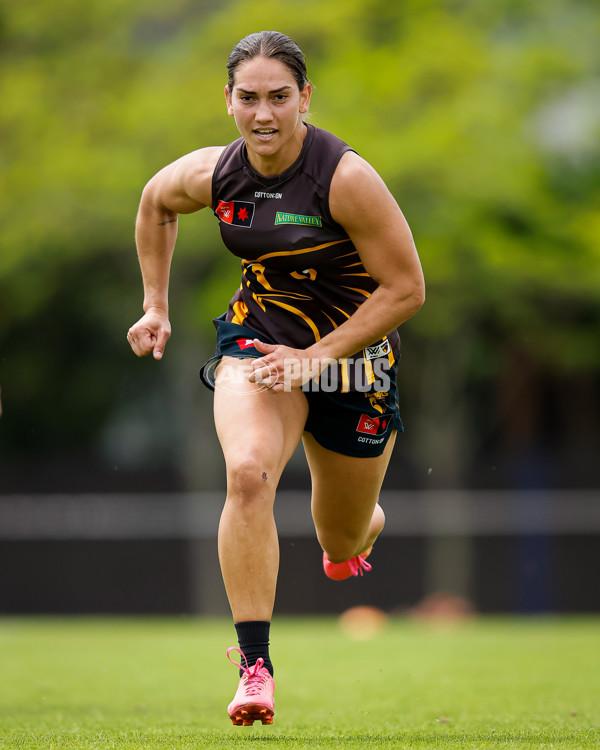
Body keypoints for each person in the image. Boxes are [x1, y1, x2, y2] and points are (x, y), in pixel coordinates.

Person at [127, 30, 425, 727]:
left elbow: (406, 288)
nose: (264, 114)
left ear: (305, 99)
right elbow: (155, 202)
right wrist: (155, 304)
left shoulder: (344, 177)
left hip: (352, 363)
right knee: (248, 473)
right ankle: (254, 667)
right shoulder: (216, 172)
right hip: (259, 347)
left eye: (279, 97)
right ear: (228, 100)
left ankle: (358, 533)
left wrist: (320, 357)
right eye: (249, 97)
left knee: (341, 536)